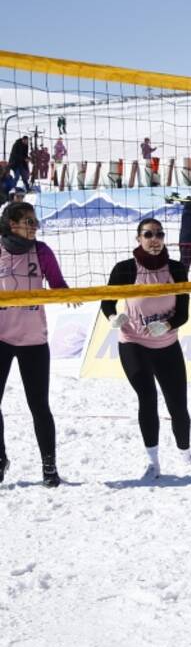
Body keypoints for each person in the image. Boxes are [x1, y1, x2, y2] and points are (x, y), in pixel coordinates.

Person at [101, 219, 191, 480]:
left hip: (167, 344)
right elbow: (107, 301)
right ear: (138, 238)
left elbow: (184, 314)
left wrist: (167, 324)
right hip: (133, 343)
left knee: (178, 405)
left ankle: (186, 454)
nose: (155, 239)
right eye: (148, 234)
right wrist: (112, 318)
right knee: (148, 398)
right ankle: (153, 462)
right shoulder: (125, 269)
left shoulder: (176, 269)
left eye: (159, 234)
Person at [0, 202, 68, 487]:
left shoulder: (41, 251)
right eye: (29, 221)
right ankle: (0, 458)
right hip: (1, 339)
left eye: (35, 220)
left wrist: (68, 294)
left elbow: (58, 284)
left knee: (39, 405)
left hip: (34, 340)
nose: (35, 225)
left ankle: (49, 468)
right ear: (12, 224)